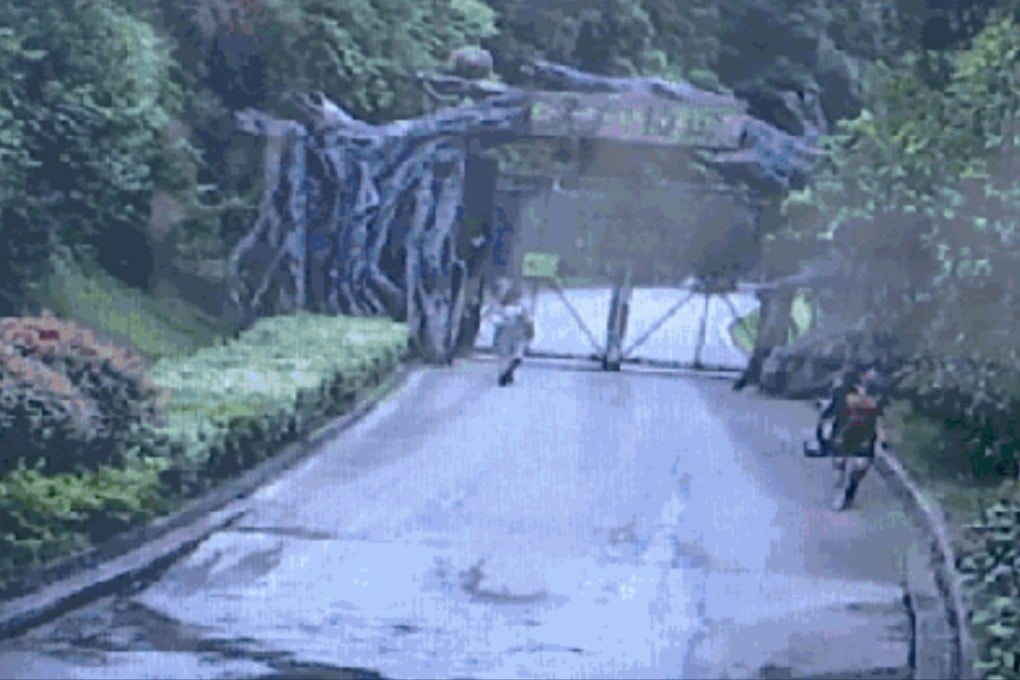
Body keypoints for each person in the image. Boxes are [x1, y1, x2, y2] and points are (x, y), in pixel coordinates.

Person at [817, 365, 889, 511]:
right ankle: (839, 485)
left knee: (860, 466)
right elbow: (829, 412)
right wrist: (823, 429)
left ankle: (850, 493)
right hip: (842, 435)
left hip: (865, 437)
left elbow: (879, 420)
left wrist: (883, 440)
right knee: (839, 462)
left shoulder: (876, 397)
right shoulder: (841, 392)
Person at [486, 282, 535, 386]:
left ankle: (504, 374)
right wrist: (530, 332)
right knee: (515, 352)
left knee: (505, 355)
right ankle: (509, 370)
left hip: (506, 332)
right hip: (517, 332)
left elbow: (494, 319)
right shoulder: (520, 308)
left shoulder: (500, 308)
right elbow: (528, 321)